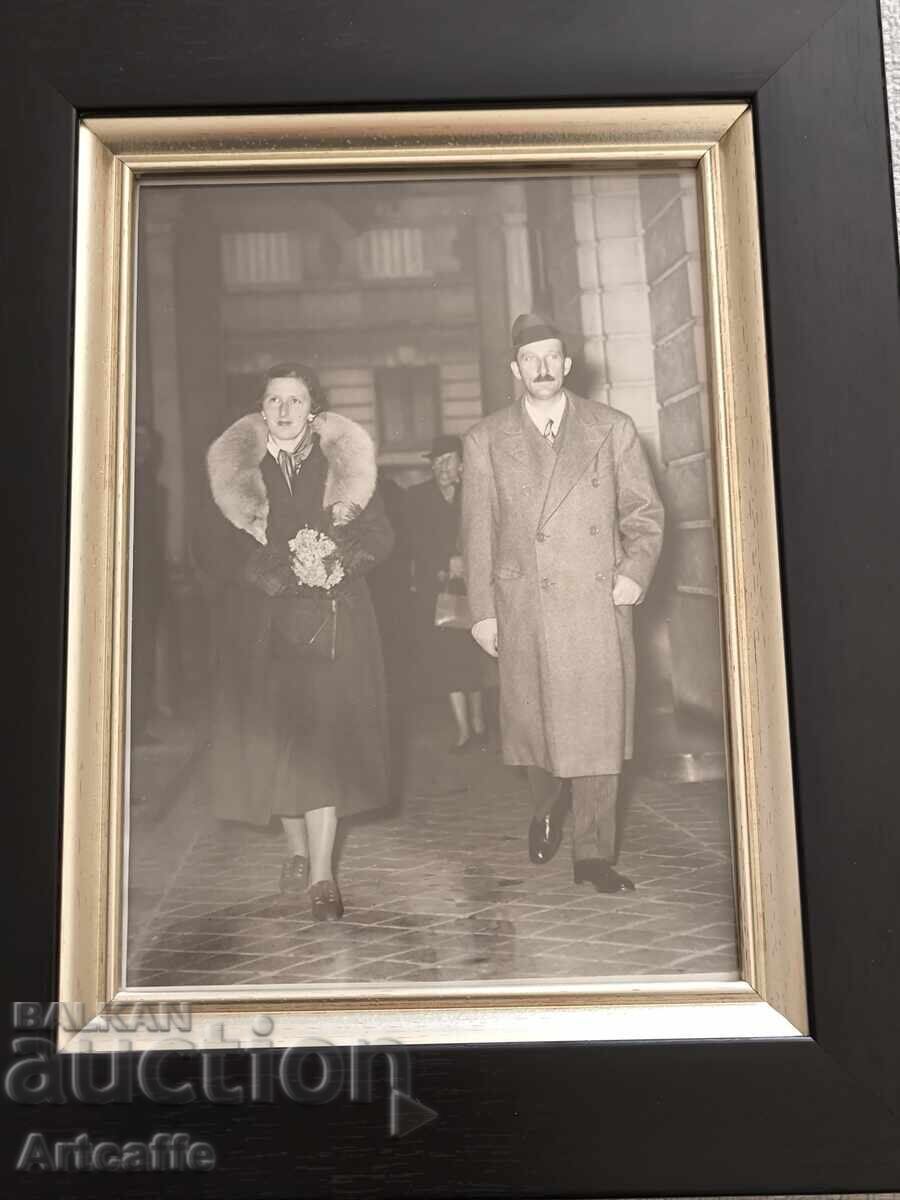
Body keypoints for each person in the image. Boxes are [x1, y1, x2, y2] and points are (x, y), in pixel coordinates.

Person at [461, 314, 664, 893]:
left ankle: (594, 855)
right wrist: (482, 610)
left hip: (598, 598)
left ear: (568, 364)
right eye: (531, 359)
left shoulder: (611, 428)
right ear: (515, 369)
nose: (543, 368)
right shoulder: (485, 440)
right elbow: (478, 531)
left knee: (599, 729)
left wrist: (635, 572)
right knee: (537, 725)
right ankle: (547, 804)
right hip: (525, 602)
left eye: (553, 357)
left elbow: (644, 513)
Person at [199, 362, 394, 921]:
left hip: (333, 624)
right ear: (261, 410)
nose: (285, 410)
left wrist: (342, 559)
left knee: (324, 744)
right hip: (262, 628)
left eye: (296, 400)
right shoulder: (236, 471)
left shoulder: (347, 468)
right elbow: (208, 545)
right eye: (275, 400)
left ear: (315, 410)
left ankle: (324, 875)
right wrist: (258, 572)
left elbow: (382, 535)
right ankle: (295, 850)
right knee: (278, 742)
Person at [406, 434, 487, 752]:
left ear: (462, 464)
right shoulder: (417, 497)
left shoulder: (476, 494)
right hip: (439, 591)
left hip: (477, 588)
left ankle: (480, 725)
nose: (441, 467)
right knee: (447, 657)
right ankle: (464, 730)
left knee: (476, 655)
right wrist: (444, 561)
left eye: (447, 460)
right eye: (436, 462)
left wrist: (470, 562)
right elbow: (414, 542)